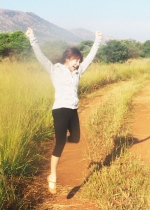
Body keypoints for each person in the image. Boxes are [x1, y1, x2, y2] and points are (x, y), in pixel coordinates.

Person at [25, 27, 103, 194]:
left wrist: (97, 41)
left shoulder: (78, 71)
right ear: (68, 58)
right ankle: (52, 176)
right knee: (60, 143)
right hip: (60, 110)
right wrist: (32, 38)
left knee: (75, 138)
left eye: (79, 61)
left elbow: (90, 58)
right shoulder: (54, 69)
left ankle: (59, 140)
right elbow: (40, 56)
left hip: (73, 110)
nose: (78, 63)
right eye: (76, 60)